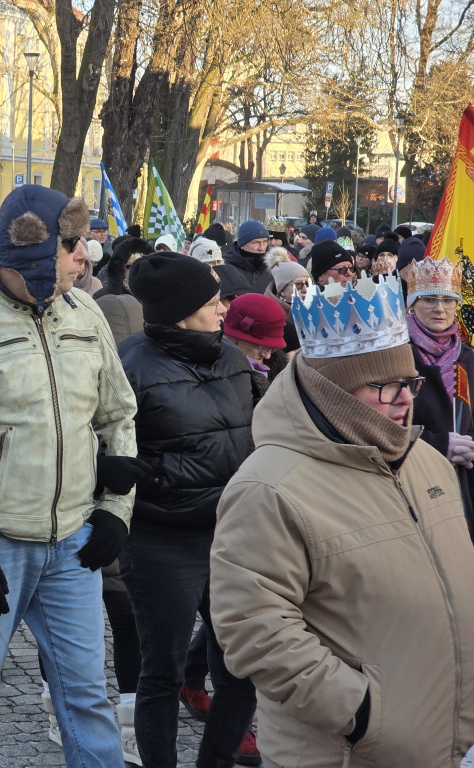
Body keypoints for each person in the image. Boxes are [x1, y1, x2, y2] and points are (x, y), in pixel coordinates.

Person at [0, 185, 141, 768]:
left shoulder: (85, 312)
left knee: (86, 697)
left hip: (73, 545)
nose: (83, 255)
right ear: (33, 254)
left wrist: (115, 510)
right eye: (69, 245)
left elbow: (119, 415)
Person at [210, 273, 474, 768]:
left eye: (409, 382)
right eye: (383, 386)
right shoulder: (267, 486)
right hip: (347, 751)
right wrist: (363, 712)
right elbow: (254, 628)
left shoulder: (427, 461)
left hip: (443, 740)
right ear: (334, 391)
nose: (404, 399)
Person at [120, 252, 258, 768]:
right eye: (212, 301)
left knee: (242, 668)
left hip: (234, 536)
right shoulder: (129, 364)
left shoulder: (234, 360)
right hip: (162, 540)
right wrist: (157, 482)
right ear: (180, 311)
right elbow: (109, 452)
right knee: (163, 671)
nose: (224, 308)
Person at [405, 257, 474, 522]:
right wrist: (435, 444)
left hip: (464, 487)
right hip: (415, 483)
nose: (440, 309)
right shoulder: (397, 354)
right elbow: (378, 427)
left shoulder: (468, 358)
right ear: (413, 303)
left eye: (448, 300)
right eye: (429, 299)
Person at [223, 293, 288, 398]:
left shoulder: (279, 374)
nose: (267, 356)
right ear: (232, 338)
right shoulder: (221, 383)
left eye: (272, 347)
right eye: (261, 346)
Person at [262, 247, 309, 352]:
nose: (305, 289)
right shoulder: (269, 314)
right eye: (298, 284)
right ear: (282, 291)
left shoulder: (316, 307)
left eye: (307, 283)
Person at [215, 220, 270, 295]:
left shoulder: (274, 268)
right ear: (242, 245)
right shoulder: (227, 269)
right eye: (256, 242)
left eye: (265, 242)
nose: (262, 248)